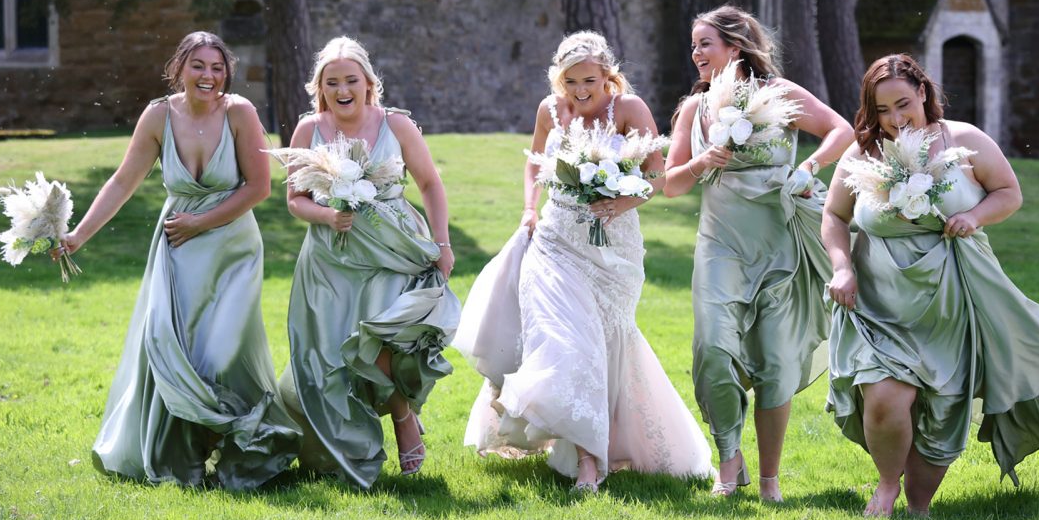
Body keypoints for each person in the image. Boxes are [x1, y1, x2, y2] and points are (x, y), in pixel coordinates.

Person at [822, 54, 1039, 517]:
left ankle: (919, 507)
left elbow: (1009, 193)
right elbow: (835, 216)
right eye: (882, 110)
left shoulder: (963, 141)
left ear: (924, 92)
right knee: (885, 396)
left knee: (942, 413)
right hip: (880, 300)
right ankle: (887, 486)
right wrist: (841, 266)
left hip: (954, 299)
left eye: (903, 104)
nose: (894, 119)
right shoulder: (863, 152)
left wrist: (973, 216)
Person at [454, 30, 712, 492]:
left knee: (604, 345)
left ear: (607, 76)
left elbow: (656, 176)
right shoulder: (548, 111)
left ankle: (596, 443)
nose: (579, 91)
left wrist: (621, 202)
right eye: (570, 81)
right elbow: (535, 163)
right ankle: (588, 462)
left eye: (589, 80)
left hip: (613, 249)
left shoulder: (629, 110)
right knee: (563, 342)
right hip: (554, 242)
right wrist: (529, 208)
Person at [54, 31, 300, 489]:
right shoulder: (158, 116)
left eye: (217, 67)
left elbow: (258, 188)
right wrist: (77, 236)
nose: (209, 76)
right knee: (174, 348)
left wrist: (201, 224)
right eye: (199, 66)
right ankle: (181, 459)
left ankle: (246, 449)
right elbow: (123, 182)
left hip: (233, 250)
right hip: (178, 251)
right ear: (179, 69)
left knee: (224, 350)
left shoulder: (241, 113)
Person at [662, 6, 854, 501]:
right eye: (693, 45)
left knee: (776, 360)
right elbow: (670, 185)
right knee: (713, 351)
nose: (696, 53)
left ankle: (769, 479)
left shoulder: (781, 95)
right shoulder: (693, 109)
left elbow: (841, 130)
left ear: (735, 47)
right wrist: (703, 160)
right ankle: (729, 460)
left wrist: (809, 166)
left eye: (705, 43)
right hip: (720, 247)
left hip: (780, 244)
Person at [275, 36, 459, 489]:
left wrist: (442, 243)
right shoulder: (307, 131)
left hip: (392, 249)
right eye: (332, 81)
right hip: (330, 259)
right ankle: (376, 432)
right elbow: (294, 200)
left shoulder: (396, 125)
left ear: (368, 83)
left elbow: (430, 184)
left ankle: (401, 418)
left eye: (350, 80)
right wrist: (326, 214)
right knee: (338, 350)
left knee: (383, 338)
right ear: (320, 87)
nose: (342, 89)